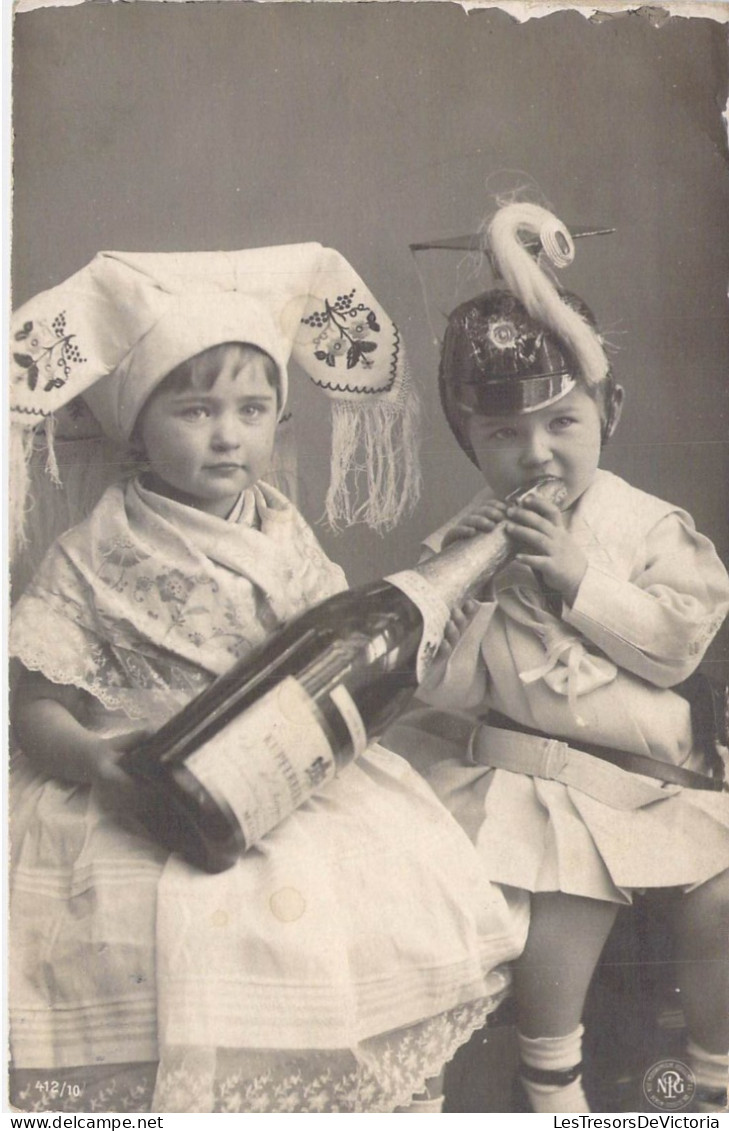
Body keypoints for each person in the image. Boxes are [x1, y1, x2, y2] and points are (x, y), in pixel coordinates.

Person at [7, 244, 529, 1114]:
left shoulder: (282, 535)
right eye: (196, 409)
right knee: (140, 930)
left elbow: (349, 664)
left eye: (253, 410)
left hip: (281, 770)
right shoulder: (93, 550)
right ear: (137, 426)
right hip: (132, 767)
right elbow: (35, 706)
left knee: (341, 919)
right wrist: (96, 762)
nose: (228, 433)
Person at [387, 203, 729, 1114]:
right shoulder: (465, 544)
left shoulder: (645, 526)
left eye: (560, 424)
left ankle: (709, 1081)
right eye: (501, 436)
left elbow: (676, 643)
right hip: (537, 778)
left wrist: (579, 579)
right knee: (560, 900)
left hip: (653, 774)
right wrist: (471, 590)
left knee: (724, 897)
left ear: (606, 410)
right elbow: (451, 690)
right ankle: (551, 1081)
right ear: (469, 440)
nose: (534, 454)